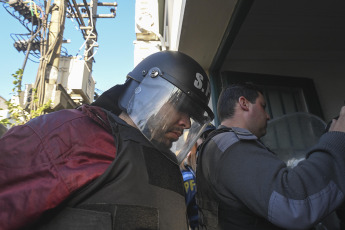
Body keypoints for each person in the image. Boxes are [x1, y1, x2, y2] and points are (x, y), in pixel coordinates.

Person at [0, 51, 215, 230]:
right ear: (146, 91)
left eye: (192, 116)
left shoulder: (168, 164)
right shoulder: (73, 133)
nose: (186, 123)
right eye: (180, 107)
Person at [196, 83, 345, 230]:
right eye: (263, 106)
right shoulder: (230, 146)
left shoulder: (218, 146)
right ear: (244, 103)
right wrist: (336, 139)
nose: (267, 116)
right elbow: (294, 205)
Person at [181, 123, 216, 229]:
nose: (208, 141)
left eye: (212, 137)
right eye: (204, 136)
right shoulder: (184, 175)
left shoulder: (216, 169)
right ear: (192, 141)